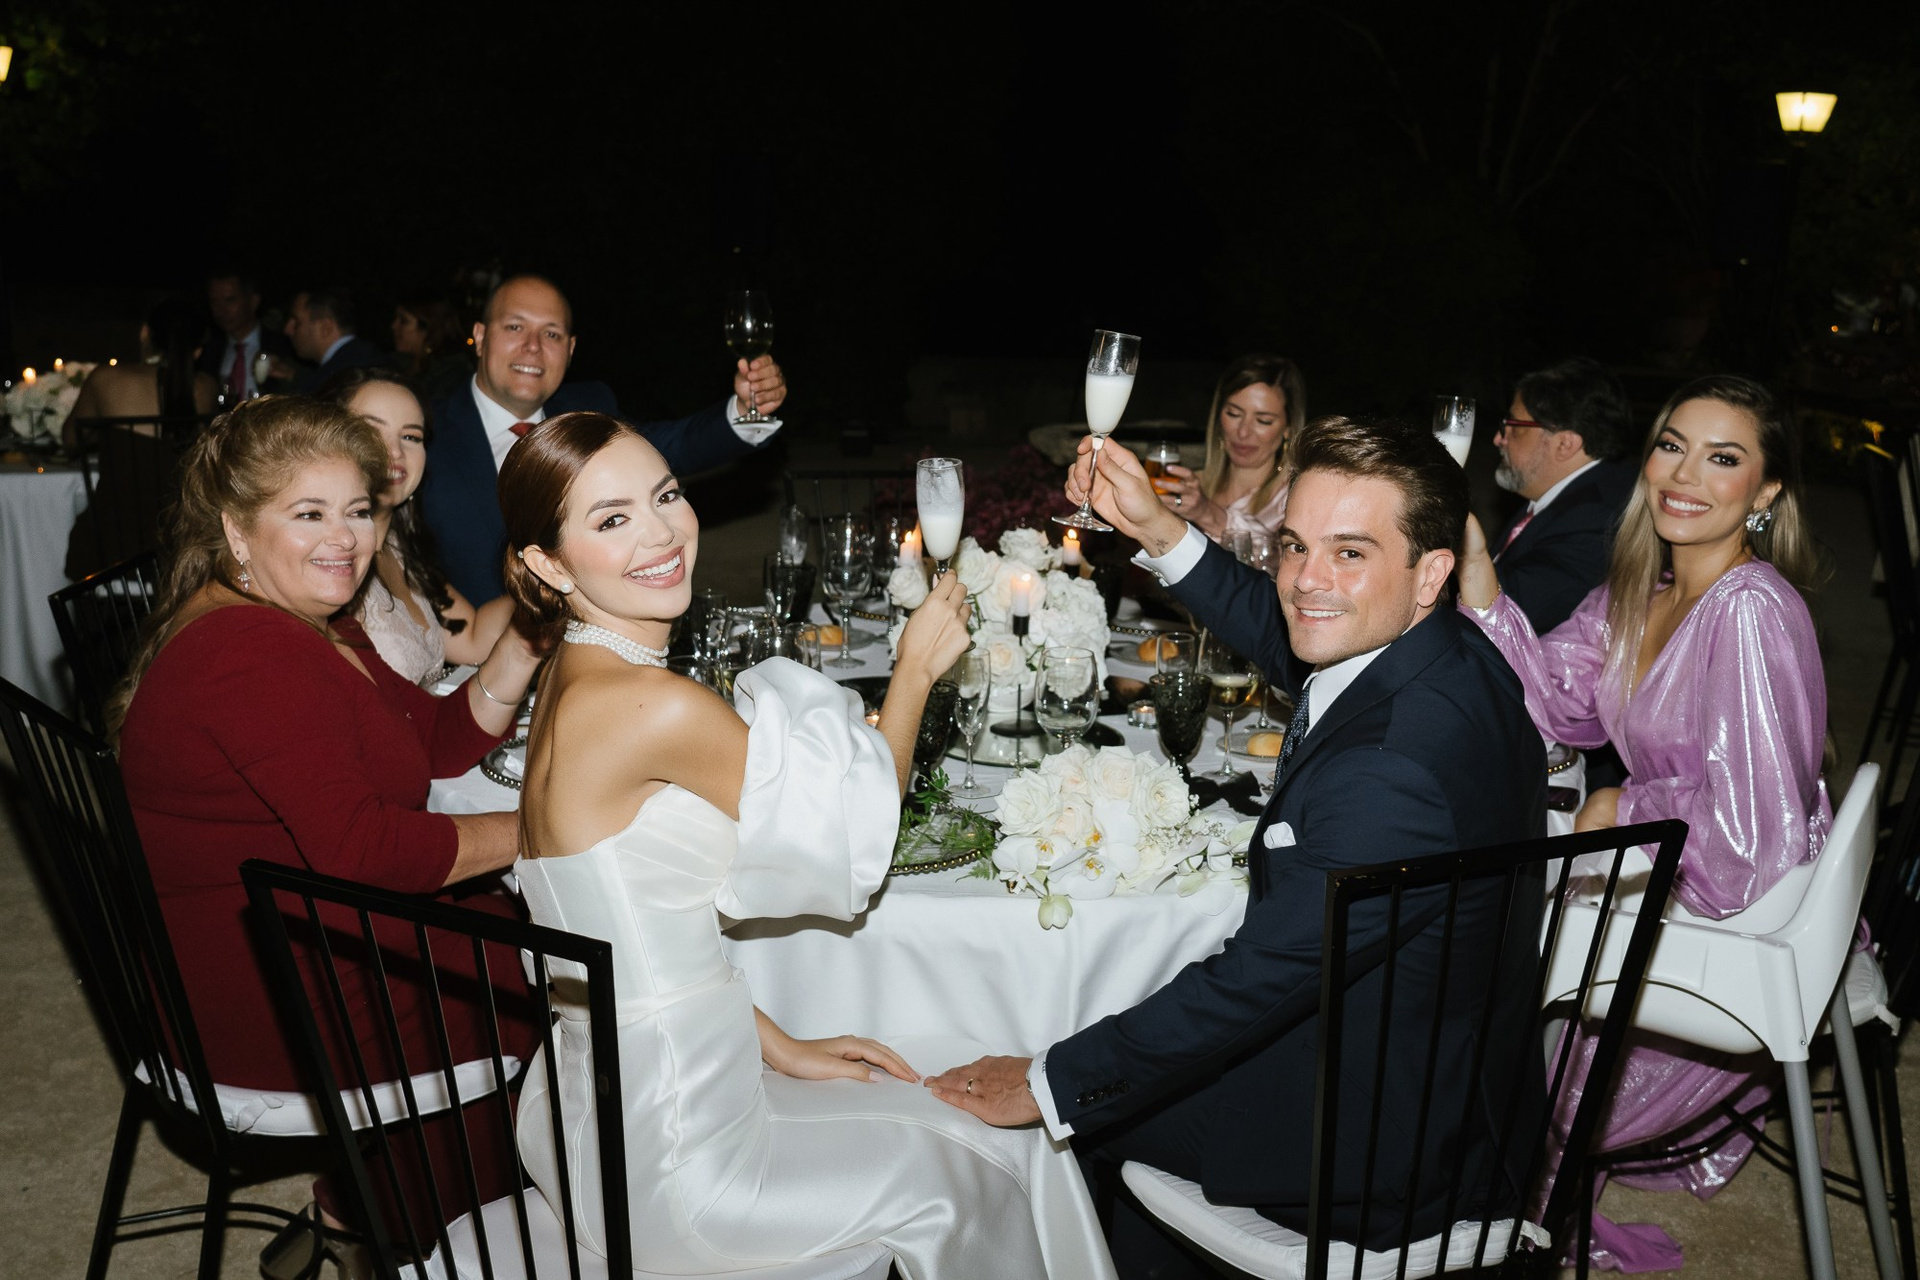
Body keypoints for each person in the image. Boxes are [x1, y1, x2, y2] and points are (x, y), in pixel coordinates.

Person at [501, 412, 1113, 1278]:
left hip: (600, 1111)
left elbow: (631, 947)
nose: (661, 534)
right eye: (612, 519)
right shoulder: (651, 707)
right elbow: (853, 832)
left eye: (666, 496)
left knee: (954, 1101)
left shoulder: (571, 674)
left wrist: (781, 1045)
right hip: (681, 1156)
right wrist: (914, 672)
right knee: (993, 1152)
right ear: (549, 564)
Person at [929, 416, 1548, 1271]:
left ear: (1431, 572)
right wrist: (1158, 528)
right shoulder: (1443, 652)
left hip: (1379, 1147)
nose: (1306, 580)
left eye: (1349, 553)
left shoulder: (1391, 773)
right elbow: (1281, 623)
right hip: (1441, 1075)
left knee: (1063, 1112)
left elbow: (1250, 986)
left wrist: (1046, 1082)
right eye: (1295, 546)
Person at [111, 396, 543, 1233]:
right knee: (549, 975)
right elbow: (368, 851)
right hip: (267, 1005)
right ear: (237, 529)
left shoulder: (309, 618)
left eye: (358, 511)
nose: (344, 539)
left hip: (282, 937)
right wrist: (547, 826)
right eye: (309, 514)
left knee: (509, 926)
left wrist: (526, 640)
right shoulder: (252, 653)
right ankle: (406, 1225)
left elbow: (430, 743)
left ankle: (375, 1203)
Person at [1455, 374, 1831, 1272]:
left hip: (1745, 914)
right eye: (1672, 446)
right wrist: (1474, 571)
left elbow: (1754, 838)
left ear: (1767, 491)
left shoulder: (1750, 609)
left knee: (1486, 953)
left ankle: (1481, 1195)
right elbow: (1553, 697)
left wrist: (1624, 804)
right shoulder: (1642, 590)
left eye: (1723, 458)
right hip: (1670, 868)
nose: (1685, 475)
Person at [419, 273, 789, 606]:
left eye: (551, 334)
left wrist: (745, 410)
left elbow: (672, 446)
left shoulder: (590, 407)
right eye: (515, 327)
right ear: (481, 337)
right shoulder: (423, 432)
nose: (533, 346)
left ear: (570, 350)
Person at [320, 368, 516, 684]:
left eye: (410, 437)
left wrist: (551, 574)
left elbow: (472, 639)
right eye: (371, 431)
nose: (395, 452)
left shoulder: (399, 547)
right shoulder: (322, 555)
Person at [63, 296, 222, 579]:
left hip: (110, 547)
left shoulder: (106, 379)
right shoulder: (206, 387)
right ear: (197, 350)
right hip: (179, 544)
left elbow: (71, 439)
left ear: (145, 333)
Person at [1489, 357, 1639, 635]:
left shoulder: (1599, 515)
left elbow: (1508, 611)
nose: (1499, 439)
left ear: (1565, 444)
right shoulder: (1564, 494)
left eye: (1515, 426)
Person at [1153, 354, 1306, 543]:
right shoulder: (1190, 486)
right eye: (1233, 414)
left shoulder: (1295, 496)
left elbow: (1280, 554)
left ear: (1288, 428)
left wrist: (1207, 514)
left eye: (1263, 421)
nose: (1243, 432)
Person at [198, 268, 294, 400]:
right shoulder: (209, 352)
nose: (221, 310)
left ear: (253, 301)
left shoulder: (284, 346)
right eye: (214, 302)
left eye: (229, 300)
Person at [281, 286, 387, 393]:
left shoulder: (340, 380)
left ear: (326, 328)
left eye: (297, 322)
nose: (287, 330)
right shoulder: (362, 359)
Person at [389, 294, 473, 403]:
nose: (394, 326)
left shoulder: (451, 374)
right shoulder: (398, 363)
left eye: (403, 321)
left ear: (428, 327)